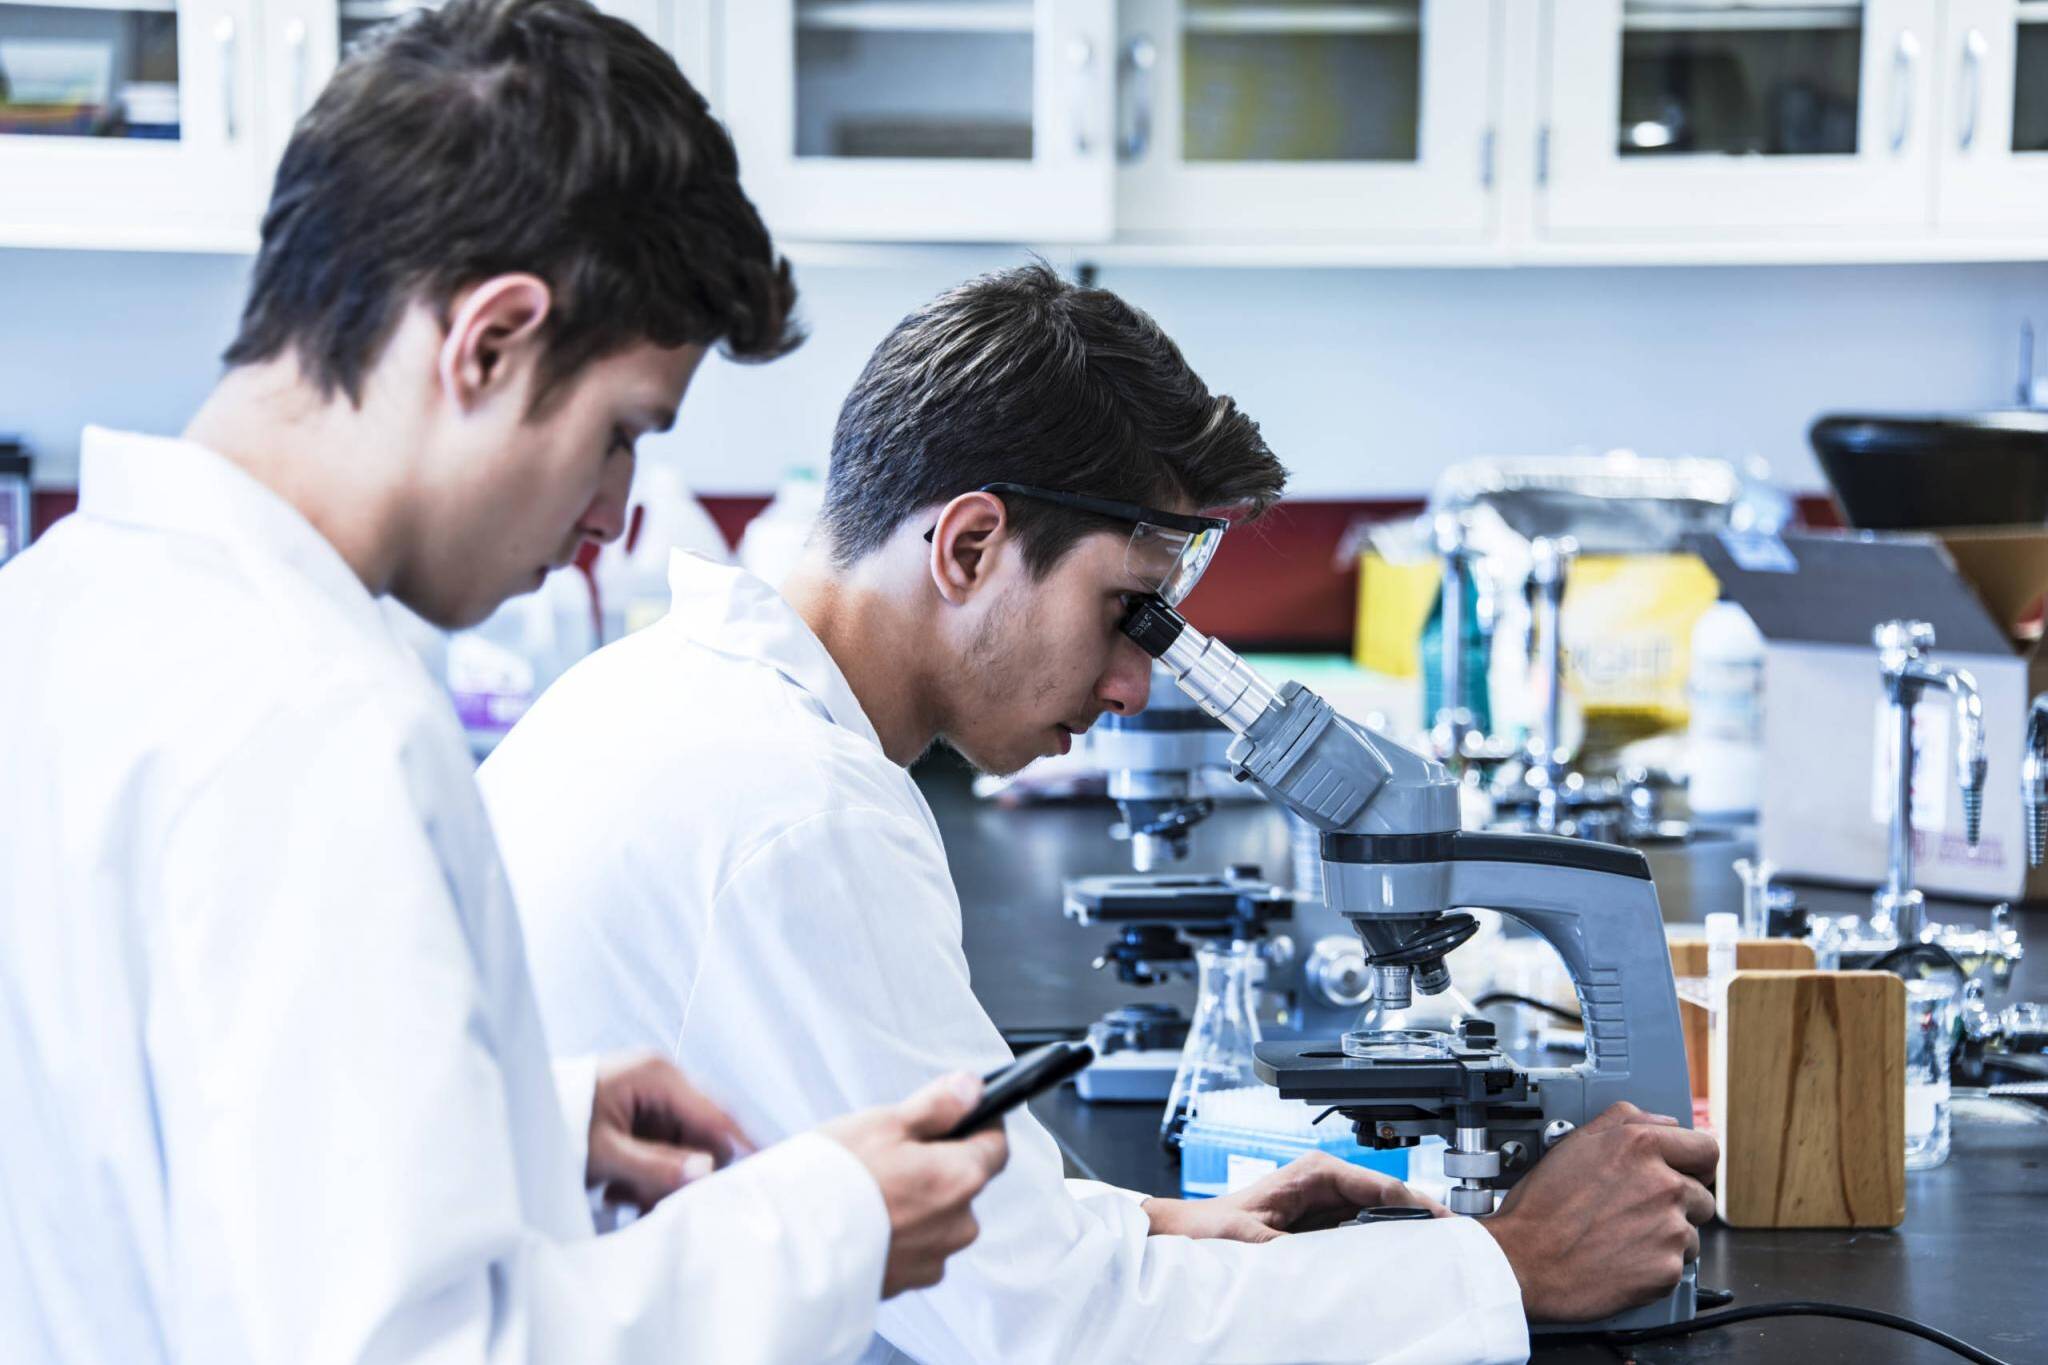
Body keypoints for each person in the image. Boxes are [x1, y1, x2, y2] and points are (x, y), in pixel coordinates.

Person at [477, 262, 1721, 1364]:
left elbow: (859, 1188)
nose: (1134, 686)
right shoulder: (797, 814)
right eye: (1126, 611)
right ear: (967, 546)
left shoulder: (676, 703)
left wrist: (1152, 1223)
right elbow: (1058, 1334)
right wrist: (1509, 1266)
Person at [0, 4, 1006, 1362]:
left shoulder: (62, 604)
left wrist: (520, 1115)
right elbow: (413, 1349)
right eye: (618, 436)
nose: (611, 517)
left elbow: (129, 1133)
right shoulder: (315, 720)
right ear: (488, 342)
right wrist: (830, 1225)